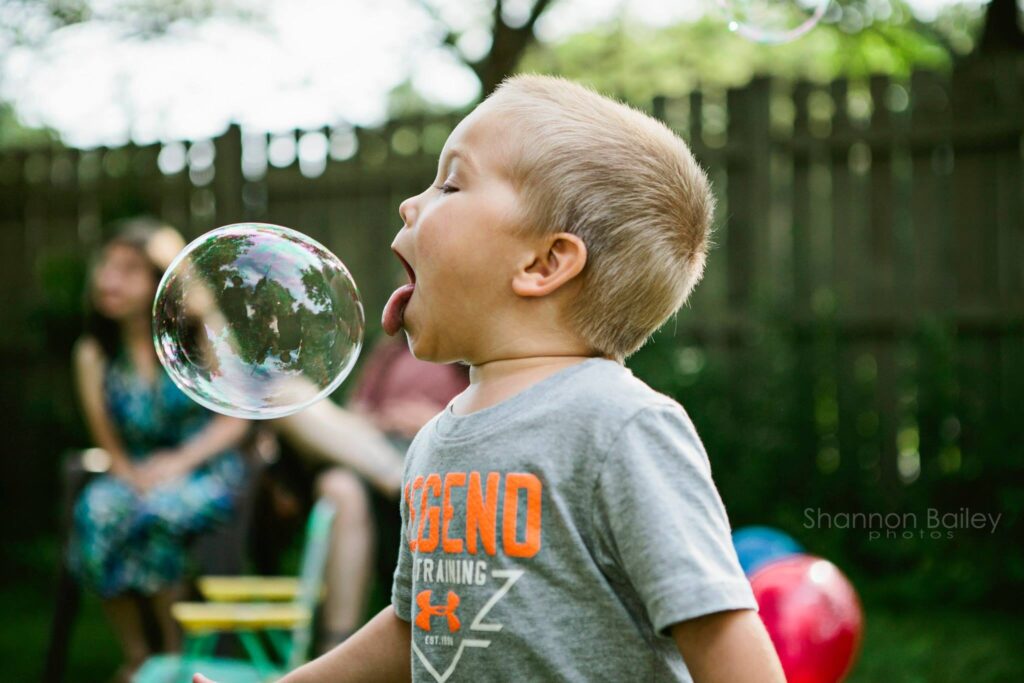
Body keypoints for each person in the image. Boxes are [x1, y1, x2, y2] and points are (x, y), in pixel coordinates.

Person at [198, 74, 784, 682]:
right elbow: (415, 626)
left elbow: (719, 628)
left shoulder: (618, 424)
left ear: (543, 263)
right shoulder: (437, 438)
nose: (409, 204)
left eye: (451, 183)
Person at [69, 219, 251, 683]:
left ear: (161, 280)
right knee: (100, 509)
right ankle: (137, 655)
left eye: (129, 269)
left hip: (203, 466)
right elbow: (108, 439)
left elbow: (237, 418)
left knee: (160, 512)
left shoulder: (198, 337)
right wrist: (130, 474)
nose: (109, 279)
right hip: (138, 470)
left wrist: (178, 463)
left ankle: (172, 655)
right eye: (107, 266)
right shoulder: (95, 352)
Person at [270, 333, 468, 652]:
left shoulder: (467, 341)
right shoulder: (392, 348)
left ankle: (334, 647)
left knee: (340, 485)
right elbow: (355, 410)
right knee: (286, 393)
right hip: (376, 455)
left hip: (434, 454)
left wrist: (434, 420)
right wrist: (373, 420)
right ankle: (336, 648)